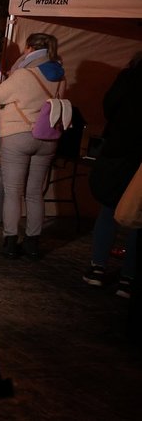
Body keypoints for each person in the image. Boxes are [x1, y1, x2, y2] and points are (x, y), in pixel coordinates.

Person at [0, 33, 64, 260]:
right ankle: (32, 243)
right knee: (35, 192)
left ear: (28, 48)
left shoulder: (25, 74)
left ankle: (9, 242)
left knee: (13, 192)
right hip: (47, 139)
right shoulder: (59, 74)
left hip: (19, 136)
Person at [83, 54, 142, 298]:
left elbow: (109, 106)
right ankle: (128, 279)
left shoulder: (128, 78)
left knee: (108, 208)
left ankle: (98, 268)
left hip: (118, 151)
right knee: (139, 216)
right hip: (139, 159)